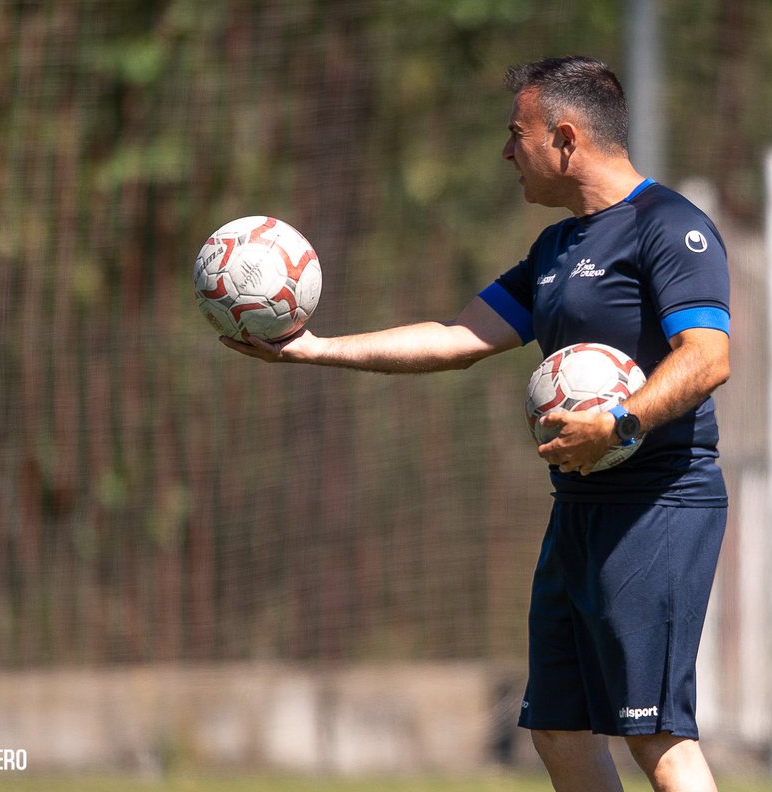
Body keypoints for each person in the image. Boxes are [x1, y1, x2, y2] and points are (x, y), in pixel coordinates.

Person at [222, 55, 730, 792]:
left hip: (660, 506)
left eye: (514, 134)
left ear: (563, 138)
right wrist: (311, 350)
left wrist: (620, 423)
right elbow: (458, 337)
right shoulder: (558, 248)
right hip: (579, 506)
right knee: (559, 727)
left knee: (655, 734)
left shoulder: (670, 228)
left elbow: (707, 358)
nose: (505, 152)